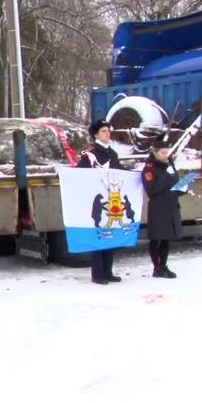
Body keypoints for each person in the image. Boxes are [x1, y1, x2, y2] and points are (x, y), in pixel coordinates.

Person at [76, 119, 126, 285]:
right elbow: (79, 175)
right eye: (104, 131)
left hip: (112, 198)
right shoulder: (89, 155)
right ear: (96, 134)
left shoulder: (112, 154)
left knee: (111, 235)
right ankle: (97, 274)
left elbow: (119, 172)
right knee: (99, 236)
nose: (107, 133)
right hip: (97, 200)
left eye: (108, 130)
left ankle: (108, 271)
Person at [141, 140, 186, 278]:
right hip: (158, 208)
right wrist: (166, 176)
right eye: (162, 153)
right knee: (156, 238)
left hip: (171, 205)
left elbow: (174, 184)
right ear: (154, 152)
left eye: (167, 152)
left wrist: (182, 187)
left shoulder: (169, 165)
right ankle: (156, 267)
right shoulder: (149, 168)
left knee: (167, 238)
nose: (165, 155)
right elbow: (152, 189)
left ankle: (163, 266)